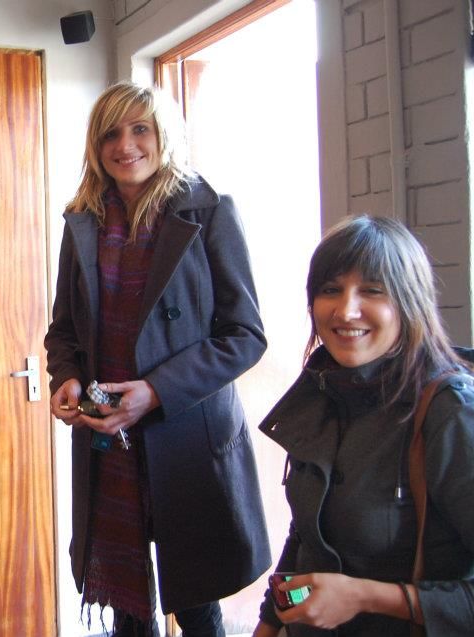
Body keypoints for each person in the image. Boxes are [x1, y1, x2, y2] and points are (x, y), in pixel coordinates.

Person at [45, 80, 271, 636]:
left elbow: (245, 335)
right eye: (111, 134)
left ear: (163, 135)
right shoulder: (82, 222)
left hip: (186, 437)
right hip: (109, 441)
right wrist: (66, 377)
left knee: (197, 606)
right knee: (127, 605)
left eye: (140, 129)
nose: (125, 146)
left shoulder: (209, 211)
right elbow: (64, 330)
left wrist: (156, 392)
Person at [252, 215, 474, 637]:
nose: (346, 310)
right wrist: (266, 626)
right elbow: (305, 536)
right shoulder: (323, 391)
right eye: (330, 290)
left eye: (372, 290)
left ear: (409, 302)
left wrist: (366, 597)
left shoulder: (449, 413)